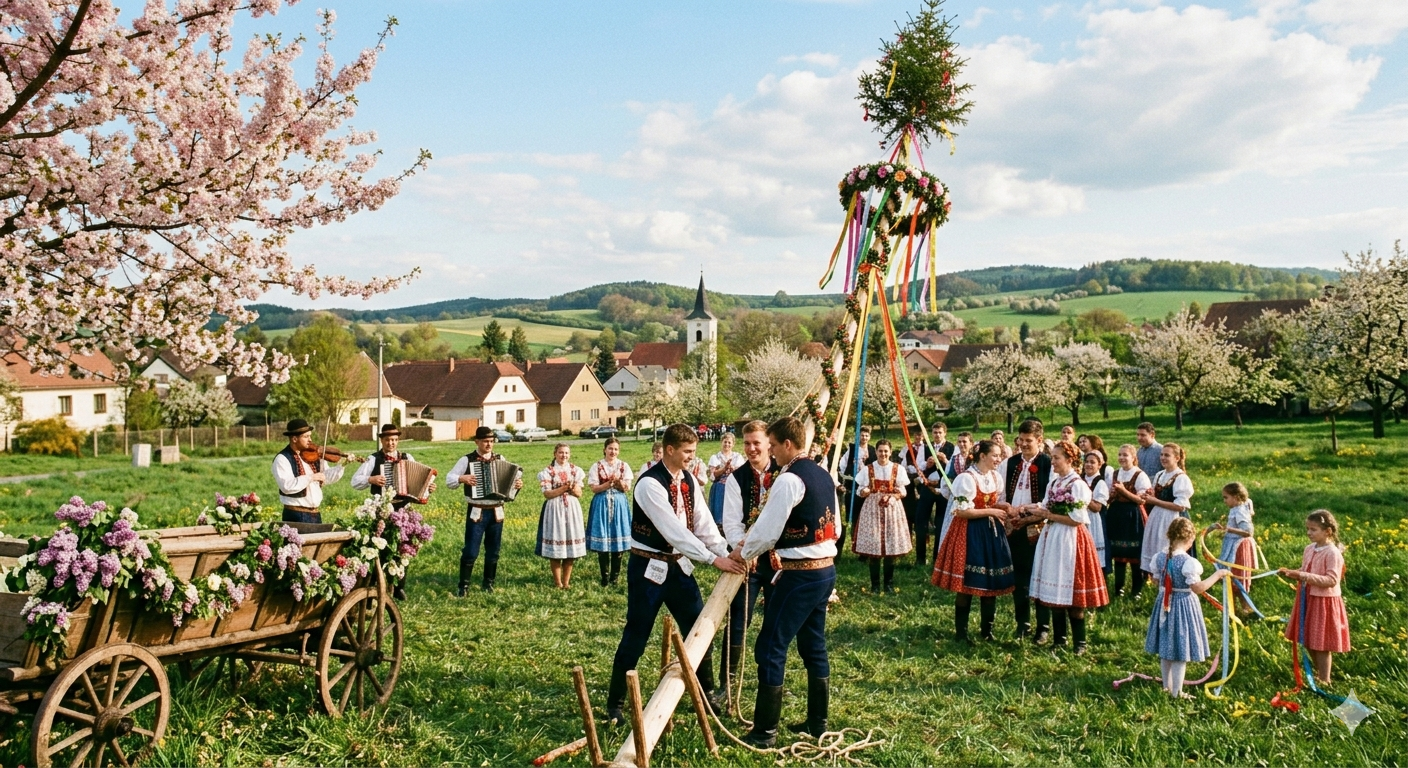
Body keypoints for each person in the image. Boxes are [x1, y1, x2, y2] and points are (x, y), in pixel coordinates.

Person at [605, 424, 745, 725]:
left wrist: (725, 550)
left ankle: (706, 694)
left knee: (699, 628)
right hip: (648, 568)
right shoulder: (649, 484)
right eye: (687, 451)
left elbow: (703, 524)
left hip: (679, 567)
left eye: (694, 452)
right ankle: (615, 703)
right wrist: (713, 559)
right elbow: (674, 531)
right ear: (669, 449)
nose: (692, 457)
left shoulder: (689, 481)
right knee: (637, 633)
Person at [737, 417, 840, 747]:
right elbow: (835, 528)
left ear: (787, 444)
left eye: (772, 445)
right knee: (813, 645)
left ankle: (765, 733)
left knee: (770, 647)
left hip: (800, 575)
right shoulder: (823, 474)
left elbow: (768, 532)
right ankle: (817, 723)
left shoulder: (789, 479)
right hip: (825, 570)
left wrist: (742, 553)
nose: (770, 451)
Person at [1027, 440, 1109, 653]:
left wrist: (1048, 515)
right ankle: (1059, 640)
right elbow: (1044, 505)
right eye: (1052, 457)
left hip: (1071, 539)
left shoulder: (1077, 485)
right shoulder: (1054, 483)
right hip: (1053, 537)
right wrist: (1023, 511)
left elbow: (1076, 519)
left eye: (1056, 458)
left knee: (1072, 591)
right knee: (1055, 586)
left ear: (1070, 460)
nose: (1052, 461)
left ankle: (1080, 643)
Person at [720, 421, 779, 705]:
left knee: (776, 623)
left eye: (757, 443)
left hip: (780, 561)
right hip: (748, 561)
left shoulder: (784, 472)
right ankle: (727, 684)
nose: (752, 449)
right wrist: (744, 549)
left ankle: (771, 680)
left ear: (769, 443)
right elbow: (732, 523)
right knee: (738, 621)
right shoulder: (737, 478)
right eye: (747, 443)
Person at [931, 440, 1014, 642]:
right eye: (995, 455)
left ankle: (987, 632)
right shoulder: (966, 478)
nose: (999, 459)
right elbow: (961, 511)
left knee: (991, 584)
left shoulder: (995, 477)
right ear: (982, 456)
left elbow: (991, 502)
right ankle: (961, 633)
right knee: (966, 585)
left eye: (1000, 455)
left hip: (991, 533)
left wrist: (1003, 507)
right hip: (969, 532)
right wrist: (992, 511)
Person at [1145, 517, 1229, 698]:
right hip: (1182, 606)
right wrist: (1218, 574)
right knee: (1180, 650)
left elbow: (1156, 580)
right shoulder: (1188, 562)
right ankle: (1177, 692)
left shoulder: (1159, 557)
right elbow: (1197, 588)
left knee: (1167, 646)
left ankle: (1167, 687)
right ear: (1190, 540)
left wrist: (1168, 586)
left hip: (1164, 604)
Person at [351, 423, 433, 600]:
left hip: (403, 509)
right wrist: (371, 479)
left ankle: (398, 587)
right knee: (379, 547)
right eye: (388, 440)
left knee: (404, 547)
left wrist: (429, 488)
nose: (391, 443)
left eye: (395, 440)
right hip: (382, 510)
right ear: (382, 441)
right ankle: (375, 586)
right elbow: (355, 481)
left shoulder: (407, 457)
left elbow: (419, 480)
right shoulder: (373, 459)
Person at [447, 426, 524, 596]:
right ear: (477, 442)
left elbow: (510, 480)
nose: (489, 445)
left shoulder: (500, 458)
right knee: (471, 550)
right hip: (477, 511)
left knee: (493, 550)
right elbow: (449, 479)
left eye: (491, 441)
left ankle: (488, 583)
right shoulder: (467, 460)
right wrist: (462, 478)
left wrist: (517, 485)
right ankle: (463, 586)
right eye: (485, 441)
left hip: (497, 511)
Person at [1279, 510, 1351, 685]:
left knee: (1321, 642)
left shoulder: (1333, 553)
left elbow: (1331, 580)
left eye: (1313, 529)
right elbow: (1307, 569)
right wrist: (1292, 572)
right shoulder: (1309, 549)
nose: (1309, 533)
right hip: (1307, 598)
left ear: (1328, 531)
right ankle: (1319, 672)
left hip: (1323, 601)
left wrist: (1302, 576)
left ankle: (1325, 679)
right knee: (1308, 638)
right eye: (1308, 529)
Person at [1001, 420, 1053, 643]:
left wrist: (1027, 512)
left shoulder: (1048, 464)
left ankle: (1043, 627)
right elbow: (1001, 493)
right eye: (1020, 440)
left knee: (1039, 575)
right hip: (1013, 526)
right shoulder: (1010, 463)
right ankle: (1022, 623)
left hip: (1039, 526)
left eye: (1028, 441)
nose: (1022, 444)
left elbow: (1050, 499)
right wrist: (1008, 510)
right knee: (1019, 577)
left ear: (1039, 440)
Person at [853, 439, 911, 594]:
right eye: (880, 451)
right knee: (874, 545)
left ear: (890, 452)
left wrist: (893, 497)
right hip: (872, 510)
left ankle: (888, 584)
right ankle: (875, 585)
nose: (883, 454)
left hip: (892, 509)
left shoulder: (897, 469)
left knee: (890, 546)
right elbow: (860, 490)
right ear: (876, 452)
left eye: (886, 451)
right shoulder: (868, 469)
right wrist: (864, 491)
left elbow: (903, 491)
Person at [273, 418, 345, 524]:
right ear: (294, 439)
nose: (310, 440)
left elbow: (326, 477)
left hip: (315, 514)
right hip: (295, 514)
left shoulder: (314, 455)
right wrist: (311, 477)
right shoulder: (282, 459)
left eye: (310, 436)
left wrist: (343, 464)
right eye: (306, 437)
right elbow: (286, 486)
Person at [902, 422, 953, 568]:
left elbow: (953, 468)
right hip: (927, 487)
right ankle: (920, 558)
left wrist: (944, 460)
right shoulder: (926, 447)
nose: (937, 435)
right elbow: (919, 467)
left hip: (943, 489)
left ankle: (938, 559)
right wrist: (927, 465)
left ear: (945, 433)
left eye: (940, 432)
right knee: (921, 521)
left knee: (940, 522)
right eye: (935, 432)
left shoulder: (951, 447)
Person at [537, 443, 587, 589]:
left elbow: (579, 493)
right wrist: (564, 488)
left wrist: (572, 489)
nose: (564, 455)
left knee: (570, 545)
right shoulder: (548, 471)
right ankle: (557, 582)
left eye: (566, 453)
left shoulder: (575, 470)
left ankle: (566, 582)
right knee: (556, 545)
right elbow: (547, 494)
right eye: (561, 452)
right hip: (555, 509)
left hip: (572, 508)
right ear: (555, 454)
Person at [1141, 443, 1193, 580]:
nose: (1163, 458)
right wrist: (1149, 496)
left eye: (1167, 455)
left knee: (1171, 547)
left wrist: (1154, 501)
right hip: (1158, 516)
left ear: (1177, 458)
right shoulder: (1160, 475)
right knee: (1157, 546)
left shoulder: (1181, 478)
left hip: (1174, 518)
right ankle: (1158, 578)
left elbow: (1180, 506)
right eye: (1161, 454)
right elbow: (1156, 495)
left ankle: (1173, 578)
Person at [587, 438, 634, 587]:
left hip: (619, 504)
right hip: (601, 503)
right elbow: (594, 488)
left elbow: (627, 488)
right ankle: (604, 577)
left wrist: (619, 483)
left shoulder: (624, 466)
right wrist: (608, 484)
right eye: (610, 448)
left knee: (617, 536)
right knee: (603, 537)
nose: (613, 452)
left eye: (616, 449)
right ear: (605, 449)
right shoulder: (597, 466)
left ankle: (615, 577)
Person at [1107, 445, 1152, 598]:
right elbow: (1108, 498)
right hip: (1117, 515)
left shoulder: (1140, 475)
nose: (1121, 458)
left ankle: (1136, 589)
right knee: (1119, 552)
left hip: (1133, 515)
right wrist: (1112, 494)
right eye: (1119, 455)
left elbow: (1141, 500)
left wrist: (1123, 491)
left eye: (1125, 455)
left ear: (1133, 457)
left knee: (1134, 554)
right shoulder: (1115, 473)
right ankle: (1118, 588)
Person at [1215, 482, 1256, 615]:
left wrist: (1228, 529)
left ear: (1236, 497)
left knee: (1236, 577)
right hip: (1233, 545)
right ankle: (1232, 609)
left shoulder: (1240, 511)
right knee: (1231, 577)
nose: (1224, 500)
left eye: (1226, 497)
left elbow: (1248, 531)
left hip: (1238, 548)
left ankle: (1245, 608)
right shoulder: (1238, 507)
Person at [836, 426, 876, 554]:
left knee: (865, 513)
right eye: (862, 435)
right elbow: (842, 464)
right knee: (853, 512)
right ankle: (853, 539)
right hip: (853, 483)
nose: (864, 438)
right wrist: (849, 472)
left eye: (866, 435)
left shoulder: (872, 450)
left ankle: (864, 541)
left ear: (869, 437)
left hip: (867, 484)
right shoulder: (852, 449)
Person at [1080, 450, 1111, 577]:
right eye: (1086, 462)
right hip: (1080, 519)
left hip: (1094, 521)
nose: (1088, 464)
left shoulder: (1100, 483)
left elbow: (1097, 507)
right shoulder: (1080, 480)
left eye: (1092, 462)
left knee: (1096, 554)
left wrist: (1082, 497)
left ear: (1099, 465)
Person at [707, 432, 745, 526]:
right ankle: (719, 525)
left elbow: (742, 472)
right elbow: (713, 475)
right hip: (720, 486)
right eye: (725, 442)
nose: (727, 444)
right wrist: (724, 469)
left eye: (729, 442)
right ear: (721, 442)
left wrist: (733, 469)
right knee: (719, 511)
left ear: (733, 444)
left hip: (734, 486)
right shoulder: (715, 457)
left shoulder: (737, 457)